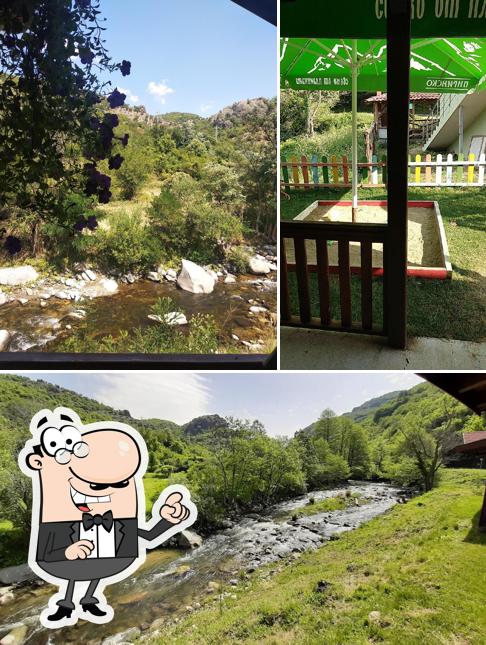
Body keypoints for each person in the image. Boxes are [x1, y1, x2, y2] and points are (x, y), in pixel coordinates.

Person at [19, 407, 197, 628]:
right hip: (70, 564)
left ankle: (89, 599)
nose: (103, 491)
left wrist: (168, 520)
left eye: (121, 483)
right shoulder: (57, 523)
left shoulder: (119, 521)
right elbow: (46, 553)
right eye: (95, 485)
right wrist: (67, 551)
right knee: (75, 572)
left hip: (106, 563)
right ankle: (66, 604)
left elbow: (149, 536)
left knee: (96, 571)